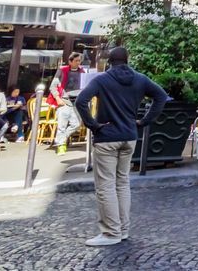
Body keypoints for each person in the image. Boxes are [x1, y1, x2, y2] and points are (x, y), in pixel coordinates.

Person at [74, 46, 167, 247]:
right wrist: (144, 121)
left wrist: (93, 125)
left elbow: (81, 101)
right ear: (127, 60)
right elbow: (161, 96)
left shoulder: (101, 80)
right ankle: (123, 230)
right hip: (129, 136)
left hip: (107, 137)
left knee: (105, 185)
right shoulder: (140, 79)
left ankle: (110, 233)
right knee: (122, 183)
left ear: (110, 60)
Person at [48, 52, 87, 154]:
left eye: (79, 61)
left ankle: (60, 140)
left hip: (76, 102)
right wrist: (57, 98)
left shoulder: (82, 71)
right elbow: (53, 86)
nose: (78, 63)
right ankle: (61, 146)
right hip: (64, 101)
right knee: (62, 125)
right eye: (76, 61)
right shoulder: (62, 70)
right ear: (70, 61)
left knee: (77, 124)